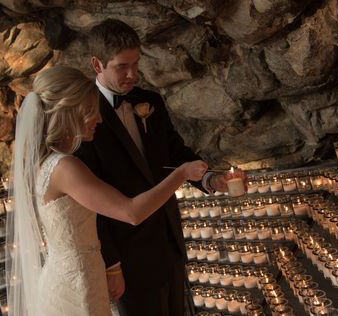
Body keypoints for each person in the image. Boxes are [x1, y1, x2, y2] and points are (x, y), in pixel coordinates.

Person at [6, 65, 208, 316]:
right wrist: (181, 174)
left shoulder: (46, 163)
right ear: (69, 113)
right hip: (77, 285)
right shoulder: (65, 167)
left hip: (78, 275)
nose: (99, 119)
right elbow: (132, 212)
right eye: (91, 111)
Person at [76, 18, 245, 316]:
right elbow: (90, 204)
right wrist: (111, 264)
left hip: (168, 240)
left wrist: (210, 178)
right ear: (97, 64)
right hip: (127, 256)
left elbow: (175, 153)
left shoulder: (149, 101)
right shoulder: (84, 117)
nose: (132, 74)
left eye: (136, 64)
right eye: (122, 66)